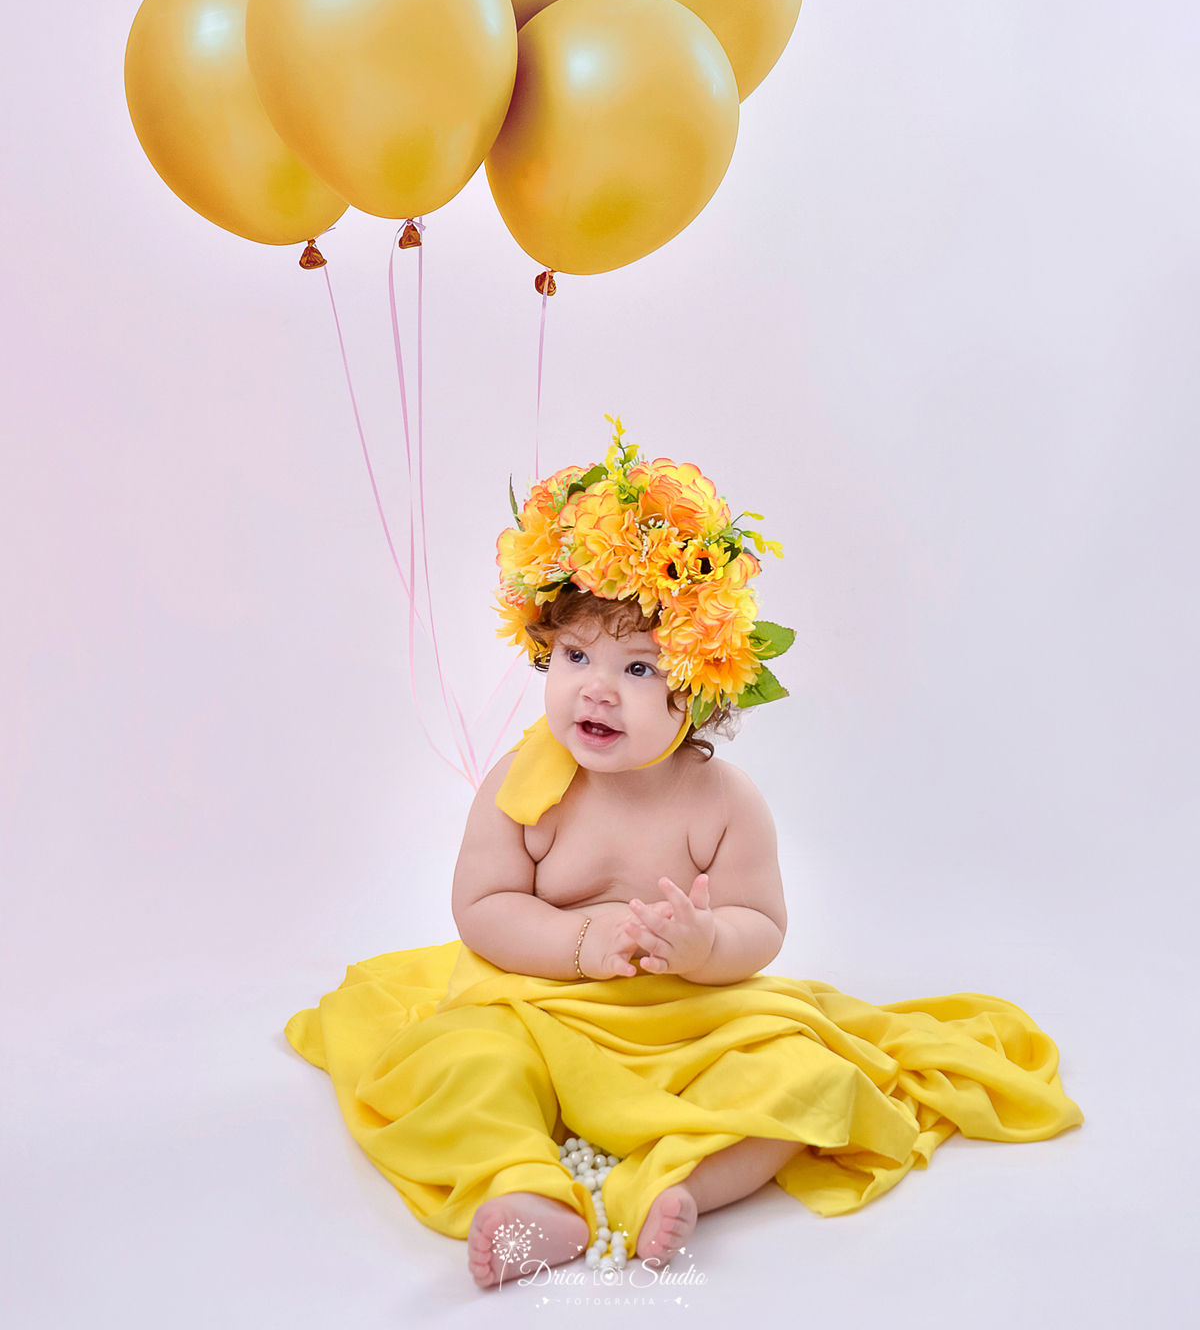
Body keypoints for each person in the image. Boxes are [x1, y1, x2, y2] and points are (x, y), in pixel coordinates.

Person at [285, 421, 1082, 1289]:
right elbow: (481, 907)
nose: (595, 685)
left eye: (637, 670)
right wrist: (578, 947)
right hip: (537, 1001)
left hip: (689, 1017)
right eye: (577, 655)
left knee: (802, 1078)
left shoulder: (721, 801)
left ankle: (678, 1183)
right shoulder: (527, 783)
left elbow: (761, 924)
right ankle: (527, 1193)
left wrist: (706, 947)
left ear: (698, 689)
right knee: (465, 1063)